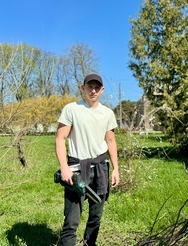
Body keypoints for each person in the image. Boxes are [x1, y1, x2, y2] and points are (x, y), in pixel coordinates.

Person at [55, 74, 119, 246]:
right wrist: (64, 168)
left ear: (102, 90)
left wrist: (116, 169)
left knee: (96, 217)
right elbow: (60, 139)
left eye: (97, 88)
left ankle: (89, 243)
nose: (93, 91)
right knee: (71, 220)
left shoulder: (107, 113)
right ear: (83, 88)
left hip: (100, 168)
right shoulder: (72, 109)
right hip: (76, 169)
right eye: (89, 87)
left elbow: (111, 141)